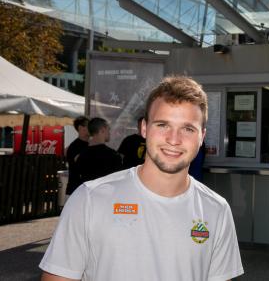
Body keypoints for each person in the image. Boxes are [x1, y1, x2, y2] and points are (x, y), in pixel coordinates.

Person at [40, 76, 243, 281]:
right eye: (163, 125)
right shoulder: (90, 199)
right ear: (144, 129)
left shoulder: (216, 210)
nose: (174, 139)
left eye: (188, 128)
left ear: (201, 136)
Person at [66, 117, 123, 193]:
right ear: (102, 130)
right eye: (108, 129)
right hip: (102, 197)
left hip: (83, 195)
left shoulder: (82, 155)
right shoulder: (113, 155)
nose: (109, 132)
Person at [65, 116, 89, 196]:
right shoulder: (74, 147)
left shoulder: (91, 144)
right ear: (80, 128)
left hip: (85, 190)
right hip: (75, 190)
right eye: (88, 125)